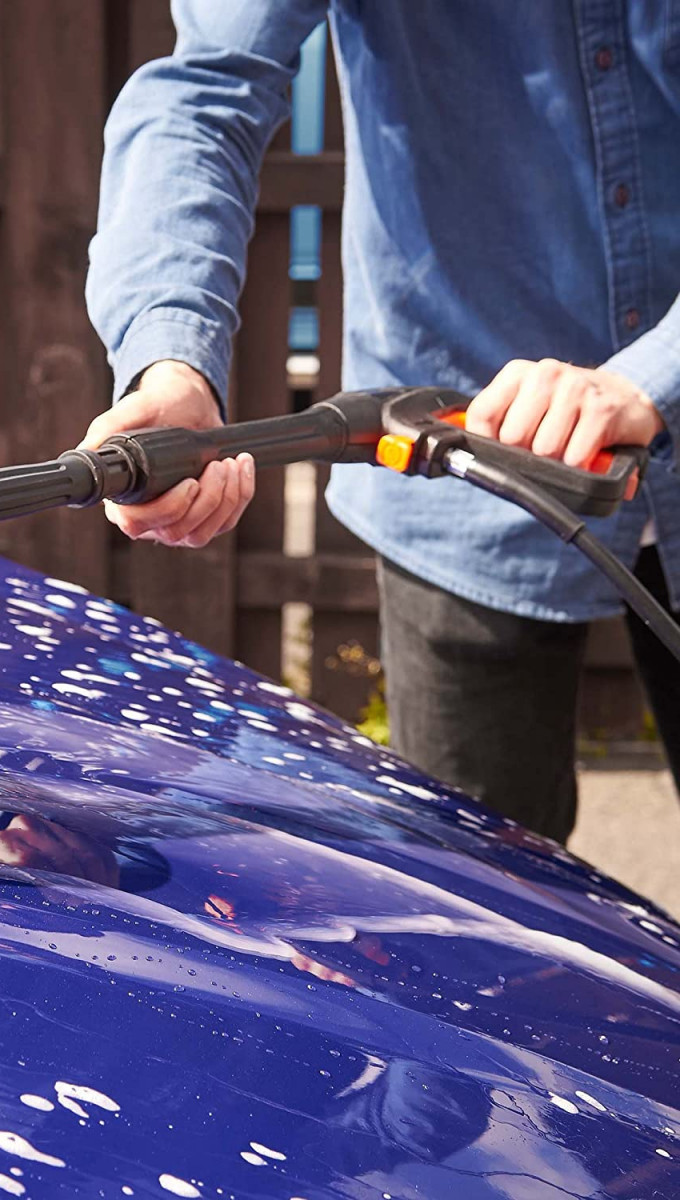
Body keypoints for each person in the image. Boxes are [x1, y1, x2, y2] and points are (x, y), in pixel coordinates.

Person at [83, 2, 680, 844]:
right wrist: (169, 354)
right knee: (479, 894)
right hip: (462, 445)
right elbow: (205, 87)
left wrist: (655, 374)